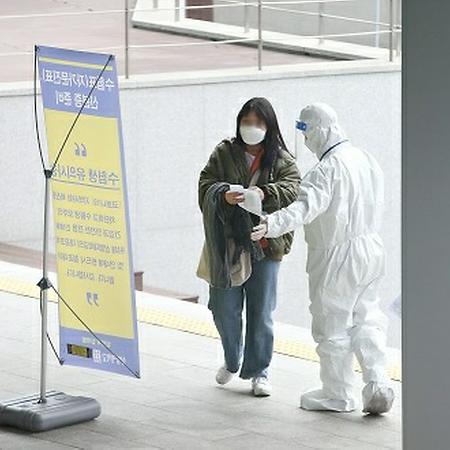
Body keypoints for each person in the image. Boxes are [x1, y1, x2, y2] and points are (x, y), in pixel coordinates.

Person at [251, 103, 394, 414]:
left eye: (306, 131)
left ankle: (338, 393)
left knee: (332, 324)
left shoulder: (326, 170)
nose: (305, 140)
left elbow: (305, 208)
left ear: (320, 130)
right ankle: (378, 383)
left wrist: (271, 224)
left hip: (336, 256)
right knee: (367, 317)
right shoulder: (365, 158)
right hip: (371, 249)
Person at [198, 97, 301, 397]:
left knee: (261, 311)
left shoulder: (282, 159)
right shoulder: (224, 152)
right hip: (228, 244)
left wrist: (264, 192)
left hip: (266, 245)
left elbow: (293, 188)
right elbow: (205, 183)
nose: (251, 127)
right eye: (247, 121)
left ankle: (259, 371)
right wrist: (222, 194)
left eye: (258, 122)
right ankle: (232, 360)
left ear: (269, 126)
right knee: (223, 308)